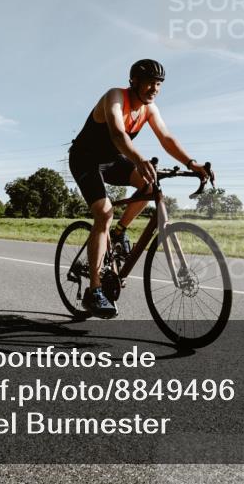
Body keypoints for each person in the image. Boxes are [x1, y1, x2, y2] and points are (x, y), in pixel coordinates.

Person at [68, 59, 211, 318]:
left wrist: (191, 163)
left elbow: (166, 138)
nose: (154, 88)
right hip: (85, 159)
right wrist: (138, 159)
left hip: (112, 161)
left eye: (158, 84)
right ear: (133, 81)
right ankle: (94, 290)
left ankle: (121, 231)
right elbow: (117, 135)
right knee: (104, 213)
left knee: (149, 184)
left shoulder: (149, 109)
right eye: (149, 82)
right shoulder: (115, 97)